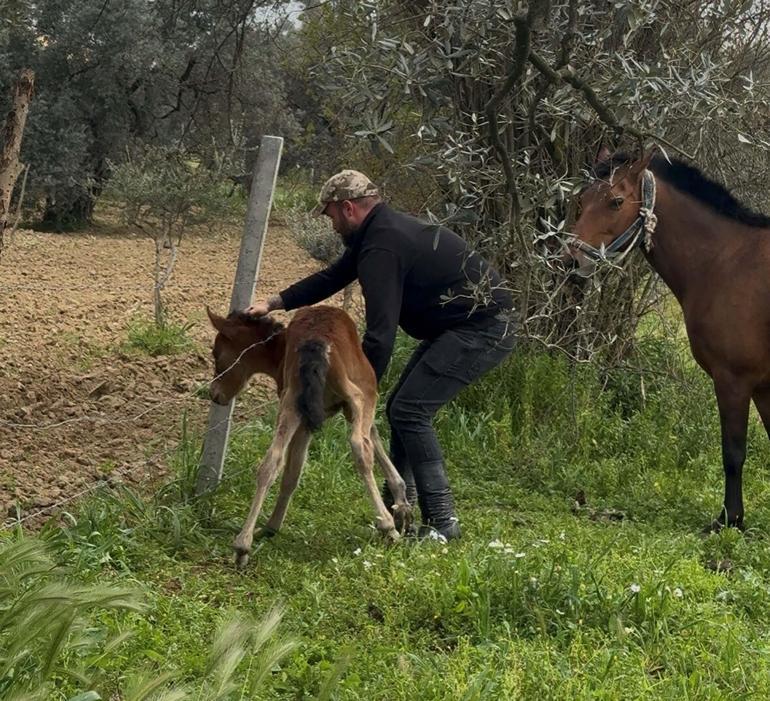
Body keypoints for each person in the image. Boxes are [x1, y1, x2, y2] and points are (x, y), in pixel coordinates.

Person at [246, 170, 515, 541]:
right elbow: (333, 276)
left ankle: (442, 523)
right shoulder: (378, 232)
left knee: (409, 409)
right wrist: (275, 302)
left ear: (348, 208)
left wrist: (359, 392)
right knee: (402, 408)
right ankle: (399, 506)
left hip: (482, 328)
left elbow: (381, 333)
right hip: (457, 327)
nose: (331, 224)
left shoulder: (382, 248)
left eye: (330, 215)